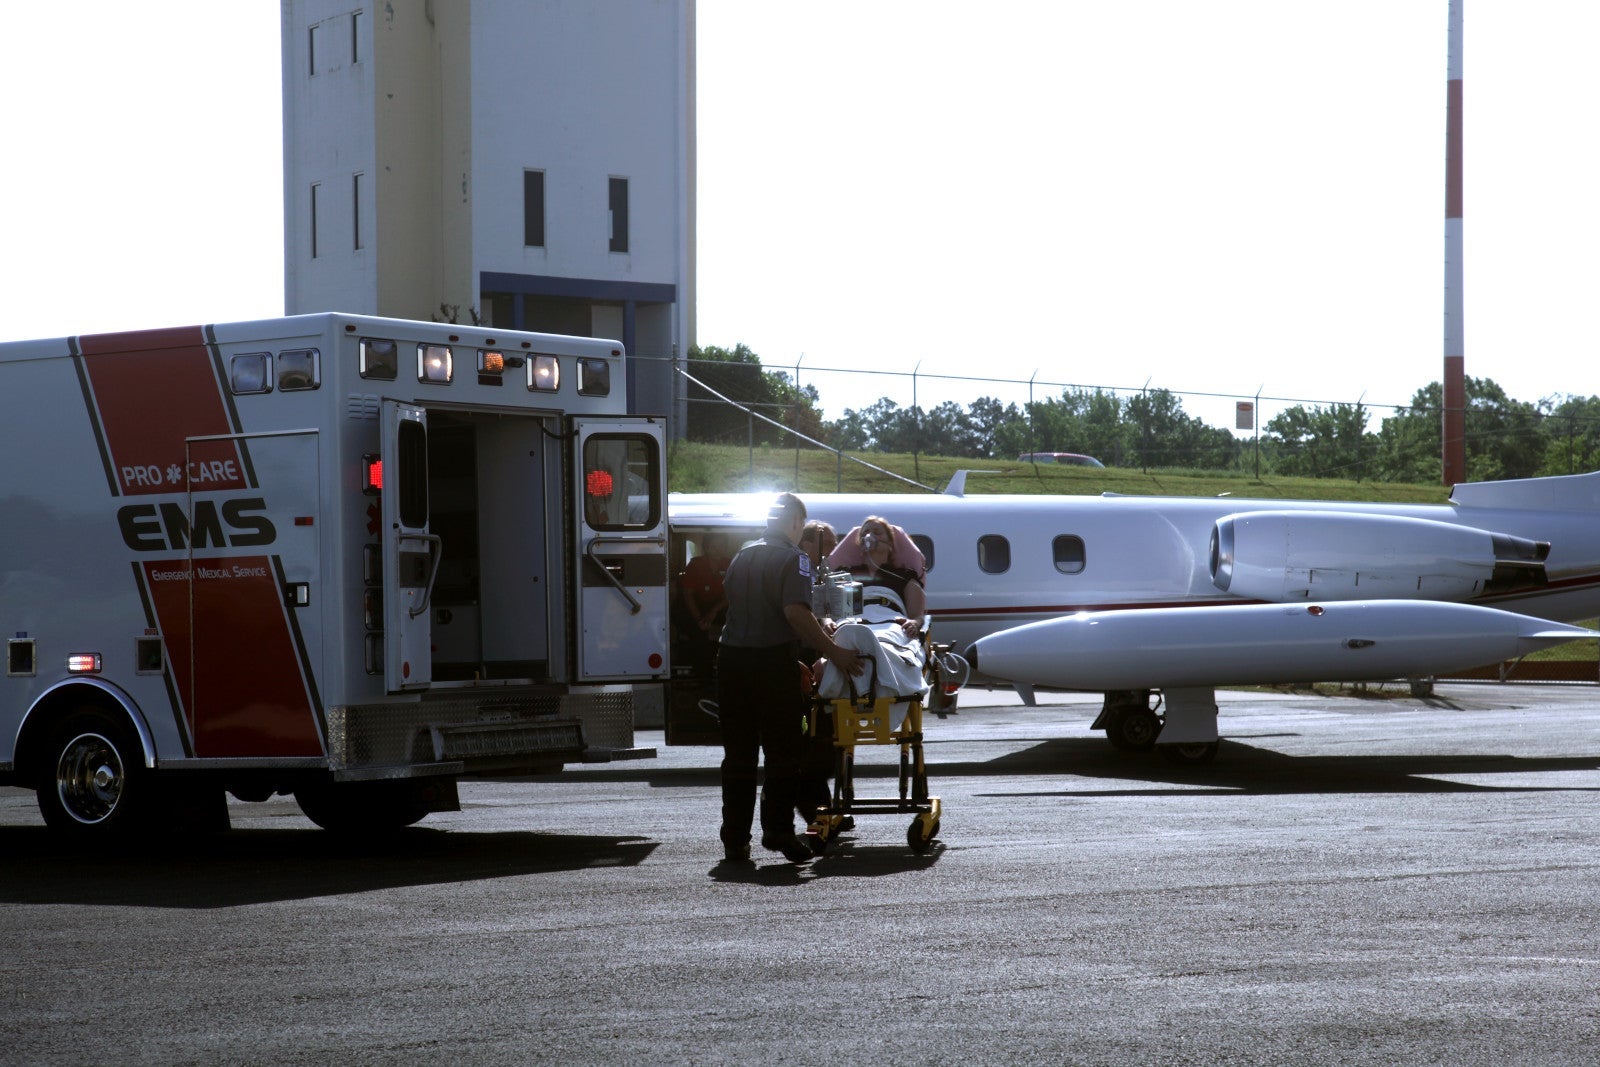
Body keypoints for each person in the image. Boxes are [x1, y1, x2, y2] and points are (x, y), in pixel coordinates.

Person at [717, 494, 864, 865]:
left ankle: (735, 840)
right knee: (783, 753)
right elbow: (795, 613)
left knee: (738, 756)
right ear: (798, 522)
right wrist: (836, 653)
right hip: (770, 664)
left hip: (732, 661)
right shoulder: (794, 558)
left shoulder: (743, 553)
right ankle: (778, 832)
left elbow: (742, 608)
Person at [828, 515, 927, 637]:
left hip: (891, 625)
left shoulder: (905, 577)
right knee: (847, 634)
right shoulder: (846, 575)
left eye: (877, 532)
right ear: (861, 543)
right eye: (865, 533)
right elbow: (828, 611)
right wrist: (827, 621)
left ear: (890, 543)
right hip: (852, 625)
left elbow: (917, 616)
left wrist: (914, 623)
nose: (870, 536)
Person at [679, 533, 731, 677]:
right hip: (695, 606)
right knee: (699, 633)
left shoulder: (730, 564)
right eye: (713, 547)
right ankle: (702, 675)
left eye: (721, 546)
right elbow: (687, 594)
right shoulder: (695, 565)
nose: (718, 550)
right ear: (706, 548)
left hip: (719, 606)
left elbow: (731, 595)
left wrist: (714, 612)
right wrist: (699, 619)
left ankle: (726, 670)